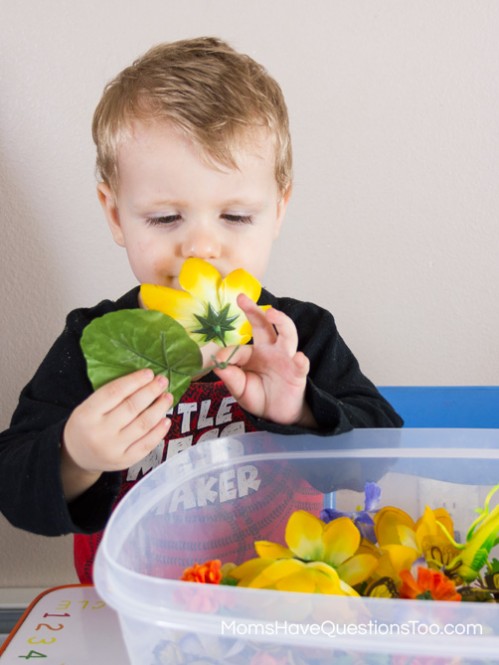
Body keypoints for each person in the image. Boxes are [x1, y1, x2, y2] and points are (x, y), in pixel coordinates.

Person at [0, 37, 402, 583]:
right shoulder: (93, 338)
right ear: (115, 214)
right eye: (165, 218)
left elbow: (380, 450)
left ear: (278, 210)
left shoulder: (298, 336)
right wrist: (77, 453)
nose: (202, 248)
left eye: (235, 216)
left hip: (277, 599)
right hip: (135, 612)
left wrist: (302, 408)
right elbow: (12, 484)